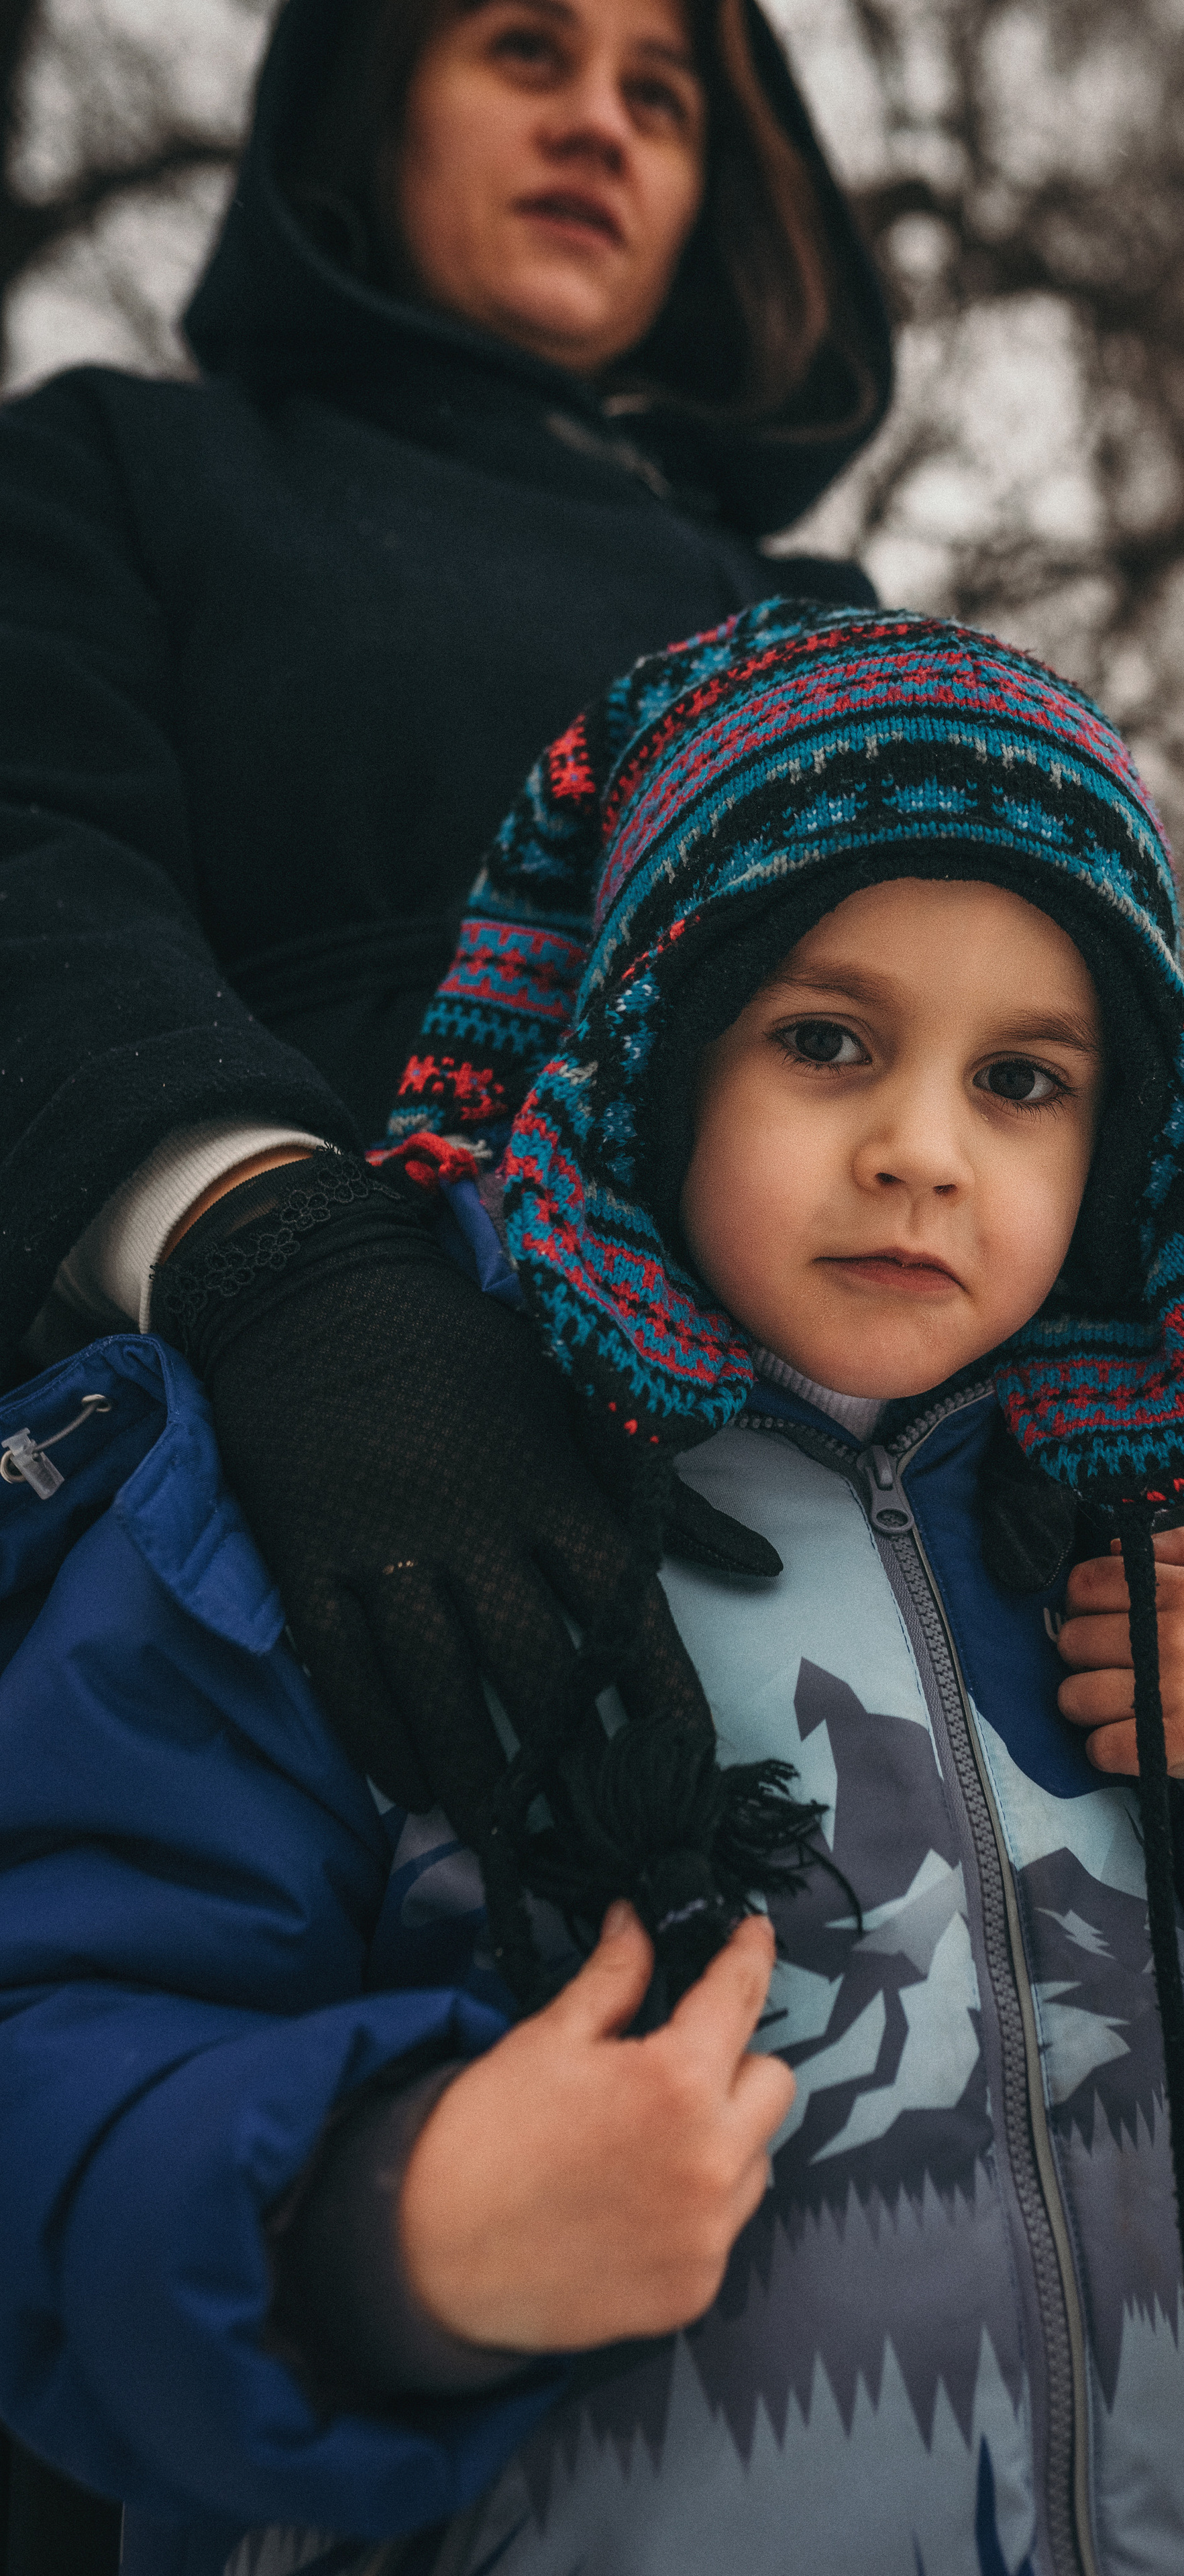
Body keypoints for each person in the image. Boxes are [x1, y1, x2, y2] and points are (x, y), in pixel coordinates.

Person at [0, 600, 1184, 2576]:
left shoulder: (1093, 1510)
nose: (923, 1152)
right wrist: (390, 2231)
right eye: (828, 1042)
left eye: (1024, 1079)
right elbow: (66, 2043)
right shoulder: (366, 1499)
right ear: (650, 1042)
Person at [0, 23, 883, 2538]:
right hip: (254, 1572)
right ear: (359, 109)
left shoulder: (817, 622)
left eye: (667, 89)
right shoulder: (119, 470)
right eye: (525, 44)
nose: (603, 116)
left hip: (827, 1586)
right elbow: (25, 850)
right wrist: (273, 1252)